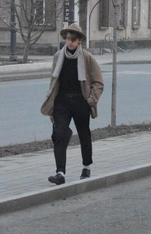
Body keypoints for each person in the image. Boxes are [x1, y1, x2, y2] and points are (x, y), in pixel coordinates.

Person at [40, 23, 104, 185]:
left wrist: (91, 100)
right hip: (62, 102)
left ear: (79, 41)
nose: (70, 42)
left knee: (84, 134)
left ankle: (86, 166)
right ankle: (60, 173)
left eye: (73, 39)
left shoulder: (87, 58)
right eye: (68, 38)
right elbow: (54, 82)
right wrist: (52, 103)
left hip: (80, 102)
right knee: (59, 133)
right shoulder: (58, 57)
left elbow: (98, 82)